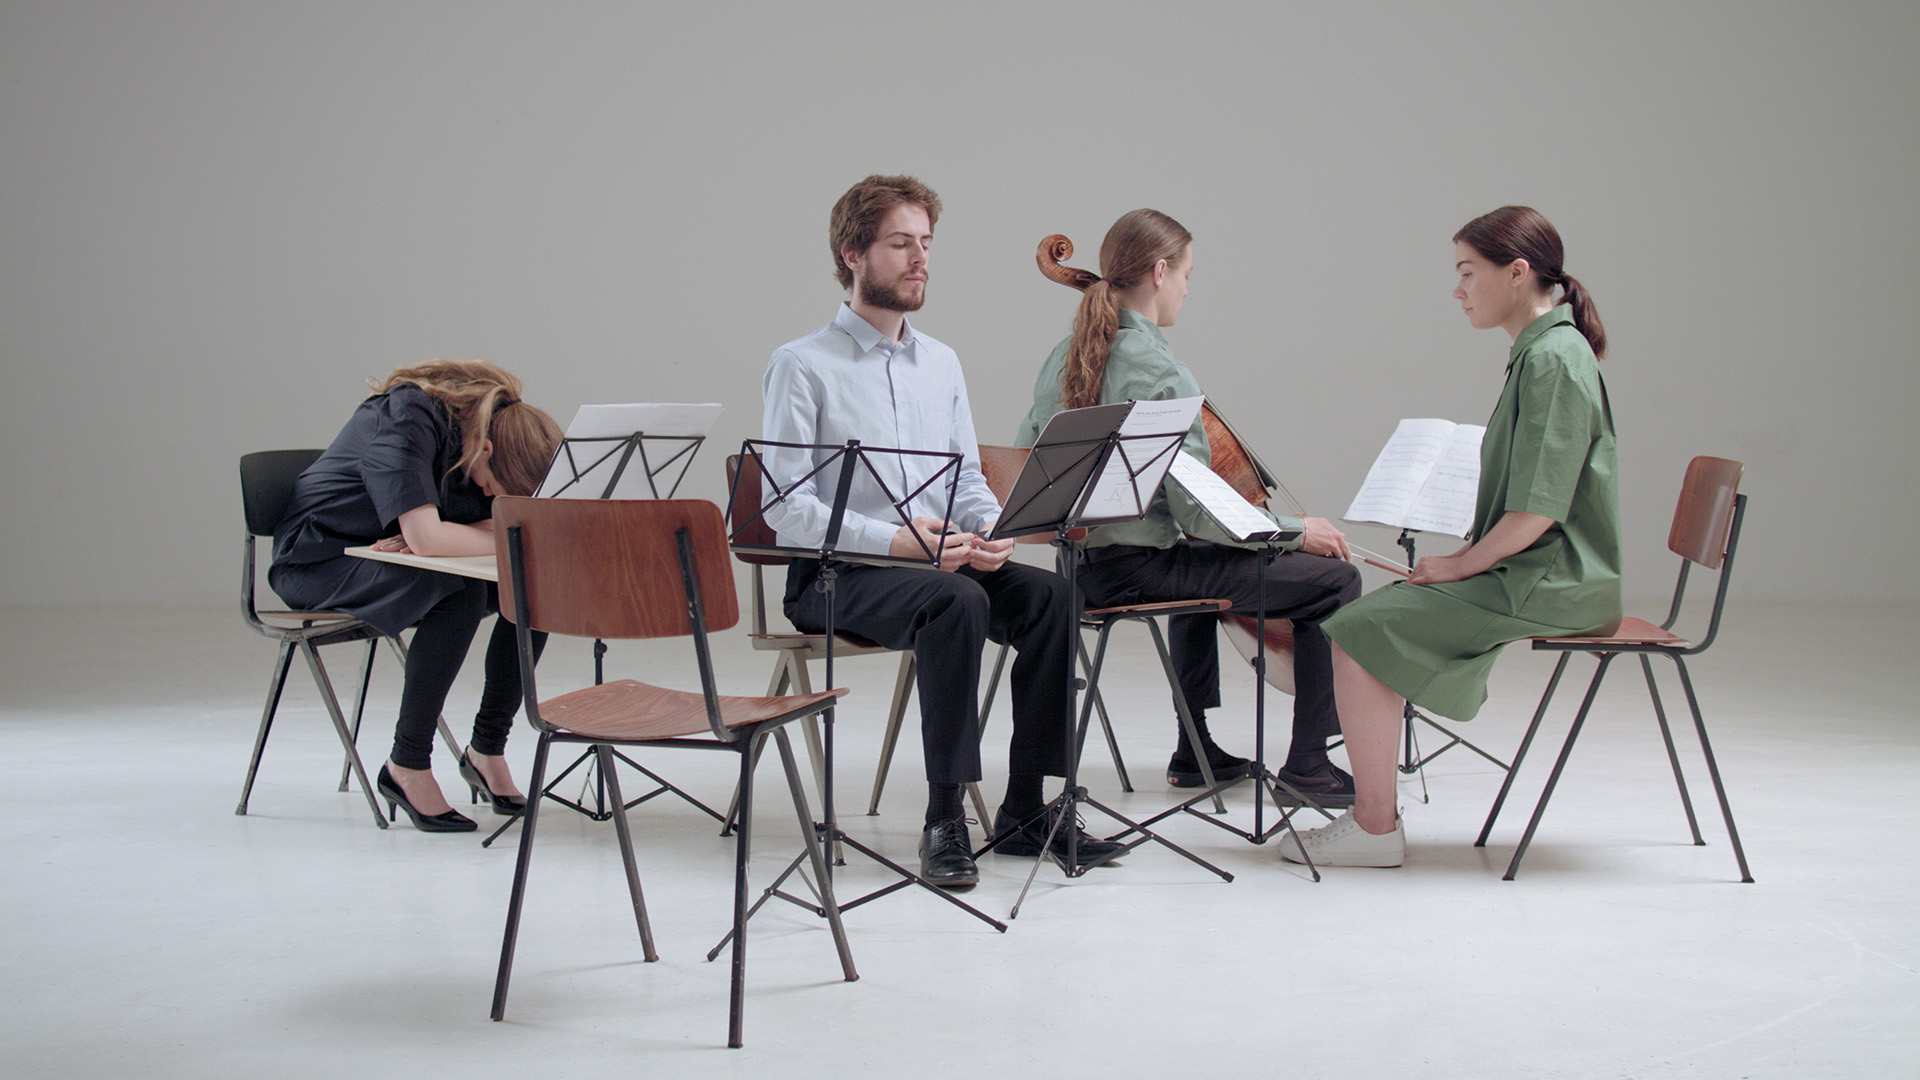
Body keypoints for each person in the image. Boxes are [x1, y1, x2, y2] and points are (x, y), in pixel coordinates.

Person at [760, 174, 1123, 889]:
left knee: (1052, 598)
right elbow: (786, 508)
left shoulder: (941, 363)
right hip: (837, 576)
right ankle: (944, 817)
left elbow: (964, 479)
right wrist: (897, 542)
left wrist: (990, 528)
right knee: (956, 602)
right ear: (853, 254)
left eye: (925, 242)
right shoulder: (801, 365)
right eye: (900, 243)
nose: (920, 258)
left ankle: (1026, 810)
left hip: (935, 564)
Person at [1284, 206, 1623, 868]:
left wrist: (1462, 565)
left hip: (1552, 578)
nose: (1458, 289)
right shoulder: (1543, 352)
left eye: (1468, 273)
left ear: (1517, 273)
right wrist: (1465, 560)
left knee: (1356, 632)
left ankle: (1374, 829)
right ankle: (1375, 820)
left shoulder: (1554, 360)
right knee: (1366, 626)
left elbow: (1537, 513)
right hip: (1538, 571)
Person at [1017, 209, 1362, 805]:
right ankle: (1309, 766)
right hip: (1137, 574)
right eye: (1186, 275)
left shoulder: (1064, 353)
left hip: (1077, 574)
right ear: (1159, 272)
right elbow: (1202, 512)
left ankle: (1193, 750)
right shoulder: (1160, 370)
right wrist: (1295, 530)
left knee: (1190, 558)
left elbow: (1027, 467)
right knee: (1335, 582)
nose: (1186, 289)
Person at [270, 360, 563, 832]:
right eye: (496, 489)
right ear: (486, 450)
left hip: (385, 556)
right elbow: (431, 540)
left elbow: (466, 533)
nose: (492, 498)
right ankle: (406, 764)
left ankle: (486, 750)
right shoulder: (407, 416)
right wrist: (465, 534)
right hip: (318, 558)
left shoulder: (496, 428)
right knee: (458, 592)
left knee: (533, 588)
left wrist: (452, 535)